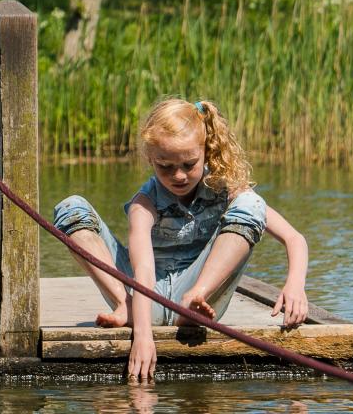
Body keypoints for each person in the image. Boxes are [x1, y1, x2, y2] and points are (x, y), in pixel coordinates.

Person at [52, 98, 311, 382]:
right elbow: (143, 272)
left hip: (198, 294)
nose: (178, 175)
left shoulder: (225, 189)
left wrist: (295, 285)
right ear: (151, 159)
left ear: (206, 151)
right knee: (70, 207)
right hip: (141, 293)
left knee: (252, 203)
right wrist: (143, 335)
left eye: (189, 164)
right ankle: (123, 305)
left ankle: (193, 301)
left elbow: (294, 238)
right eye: (165, 166)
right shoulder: (144, 204)